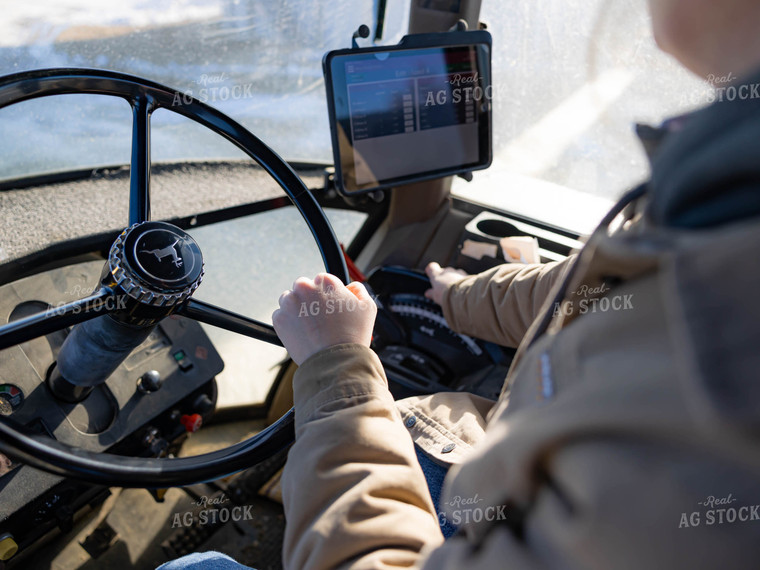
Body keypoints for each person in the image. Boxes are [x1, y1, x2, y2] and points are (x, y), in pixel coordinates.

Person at [161, 0, 760, 568]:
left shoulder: (714, 390)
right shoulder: (718, 201)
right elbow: (577, 289)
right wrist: (457, 295)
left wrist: (335, 366)